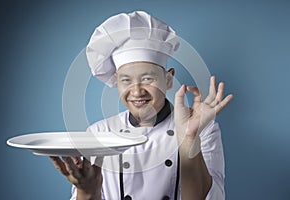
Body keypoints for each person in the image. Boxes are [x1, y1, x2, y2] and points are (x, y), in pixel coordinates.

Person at [50, 11, 233, 200]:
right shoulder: (98, 133)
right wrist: (87, 191)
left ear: (168, 79)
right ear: (116, 82)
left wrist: (189, 138)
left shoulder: (204, 129)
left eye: (148, 78)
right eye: (126, 80)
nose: (137, 91)